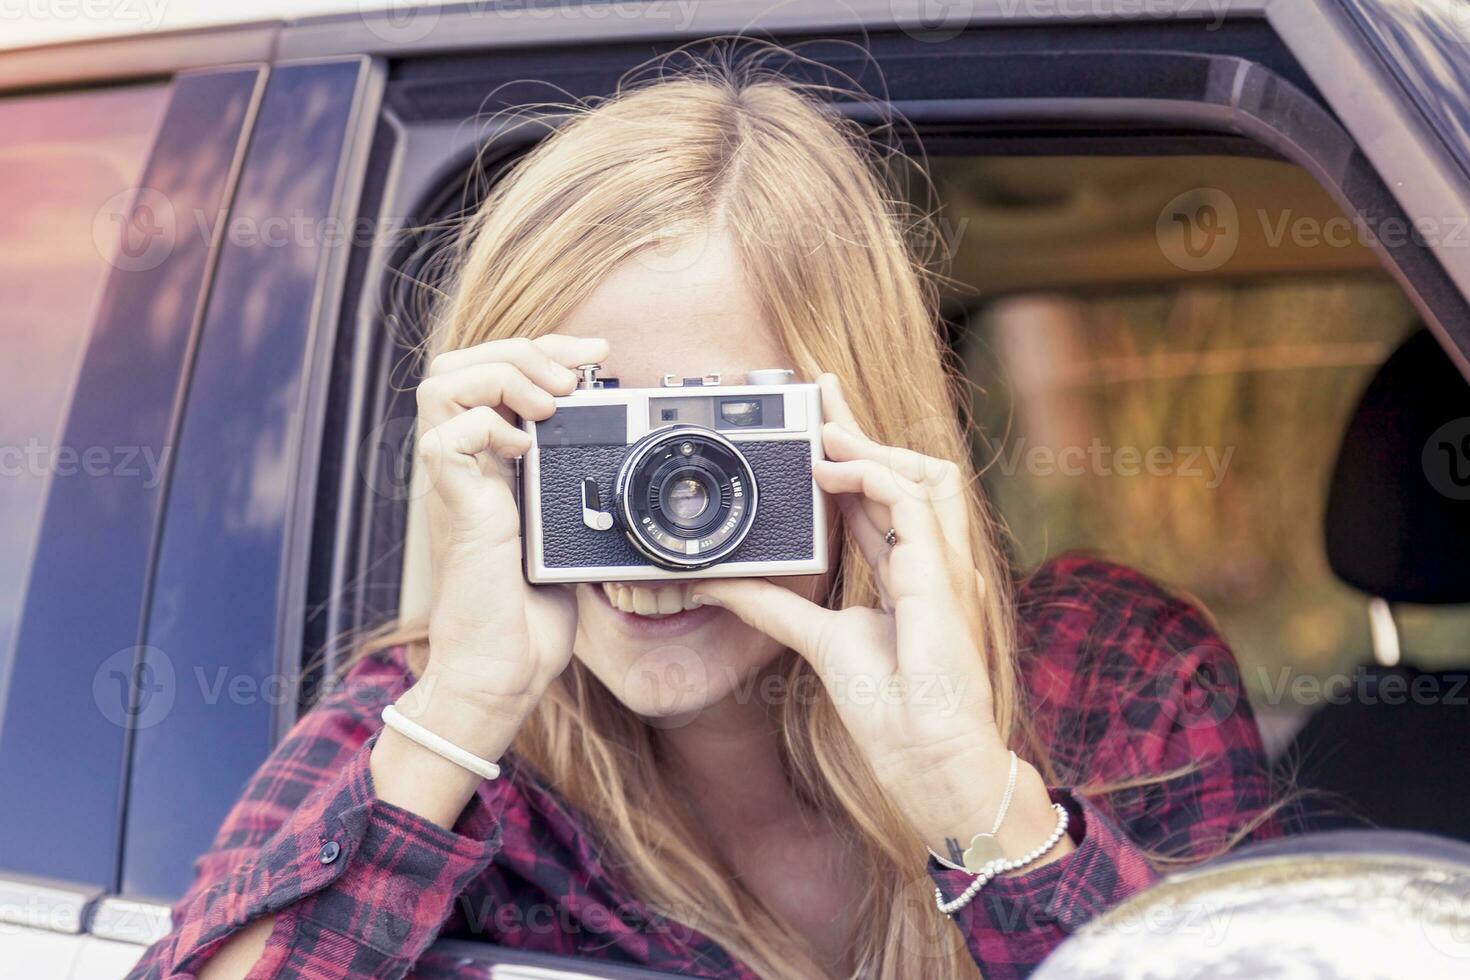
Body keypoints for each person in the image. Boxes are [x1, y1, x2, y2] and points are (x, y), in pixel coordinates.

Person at [128, 58, 1280, 980]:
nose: (658, 512)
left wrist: (974, 793)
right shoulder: (430, 736)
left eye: (714, 447)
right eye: (589, 434)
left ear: (857, 423)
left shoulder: (1112, 675)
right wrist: (465, 706)